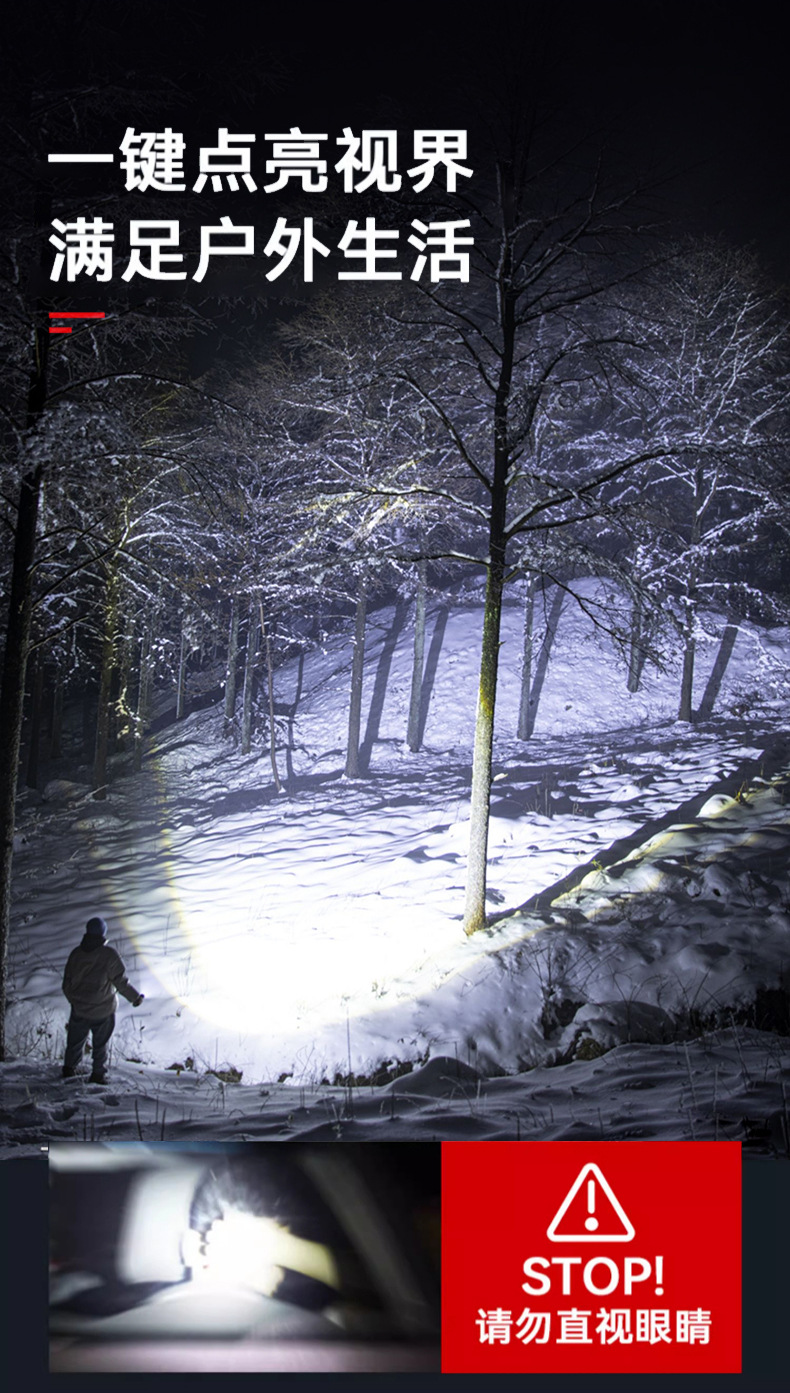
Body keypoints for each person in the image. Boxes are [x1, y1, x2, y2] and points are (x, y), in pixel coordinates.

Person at [61, 916, 144, 1084]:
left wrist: (75, 1001)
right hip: (103, 1010)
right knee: (100, 1044)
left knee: (75, 1041)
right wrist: (135, 997)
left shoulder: (76, 954)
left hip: (79, 1009)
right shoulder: (109, 955)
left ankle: (69, 1068)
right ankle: (98, 1074)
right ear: (103, 933)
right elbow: (120, 981)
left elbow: (66, 984)